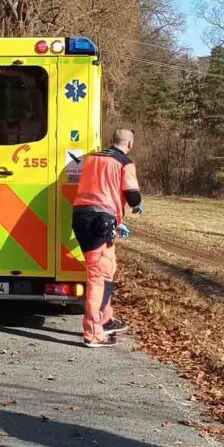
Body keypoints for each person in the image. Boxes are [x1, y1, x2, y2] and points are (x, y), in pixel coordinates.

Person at [71, 129, 143, 348]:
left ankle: (106, 320)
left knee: (106, 269)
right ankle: (93, 333)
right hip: (101, 219)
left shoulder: (92, 158)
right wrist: (137, 204)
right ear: (129, 143)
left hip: (83, 216)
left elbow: (99, 190)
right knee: (99, 276)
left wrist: (117, 221)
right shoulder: (125, 162)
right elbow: (132, 194)